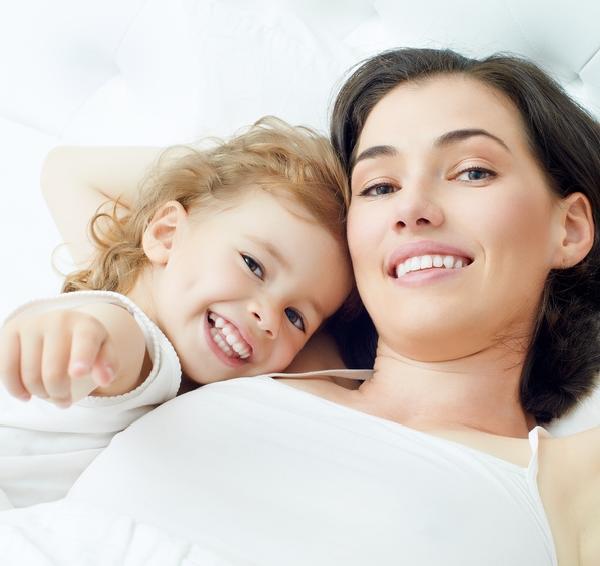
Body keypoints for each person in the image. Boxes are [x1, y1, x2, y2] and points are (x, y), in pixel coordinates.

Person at [1, 48, 598, 566]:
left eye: (472, 172)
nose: (410, 208)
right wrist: (246, 187)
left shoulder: (571, 478)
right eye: (379, 187)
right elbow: (79, 179)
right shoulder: (235, 353)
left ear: (569, 227)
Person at [0, 117, 353, 509]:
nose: (268, 317)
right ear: (165, 234)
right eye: (253, 265)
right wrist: (83, 341)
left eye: (295, 317)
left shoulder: (156, 294)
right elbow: (117, 341)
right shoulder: (134, 334)